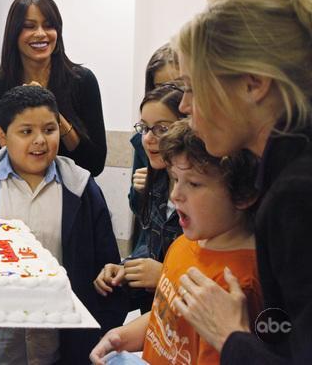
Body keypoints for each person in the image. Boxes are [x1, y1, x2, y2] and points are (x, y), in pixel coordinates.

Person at [171, 0, 312, 364]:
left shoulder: (296, 195)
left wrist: (231, 337)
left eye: (193, 87)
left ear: (253, 83)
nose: (184, 106)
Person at [0, 85, 127, 364]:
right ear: (2, 136)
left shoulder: (81, 188)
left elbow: (107, 267)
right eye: (26, 131)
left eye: (49, 130)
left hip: (61, 348)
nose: (40, 140)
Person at [90, 119, 263, 365]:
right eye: (174, 179)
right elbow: (167, 315)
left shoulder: (239, 283)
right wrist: (122, 335)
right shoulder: (184, 244)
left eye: (193, 183)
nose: (175, 194)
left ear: (243, 194)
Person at [0, 0, 107, 177]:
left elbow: (94, 164)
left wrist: (51, 112)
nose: (40, 34)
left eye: (49, 26)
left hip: (71, 197)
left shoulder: (83, 81)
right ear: (14, 33)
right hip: (16, 195)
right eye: (29, 26)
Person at [95, 83, 185, 314]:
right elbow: (151, 245)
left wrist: (164, 275)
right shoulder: (154, 183)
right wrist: (125, 268)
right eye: (144, 128)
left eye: (162, 128)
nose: (149, 138)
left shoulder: (206, 193)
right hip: (155, 313)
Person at [128, 44, 179, 245]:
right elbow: (144, 217)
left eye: (177, 86)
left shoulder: (210, 149)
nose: (169, 95)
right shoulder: (145, 140)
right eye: (160, 87)